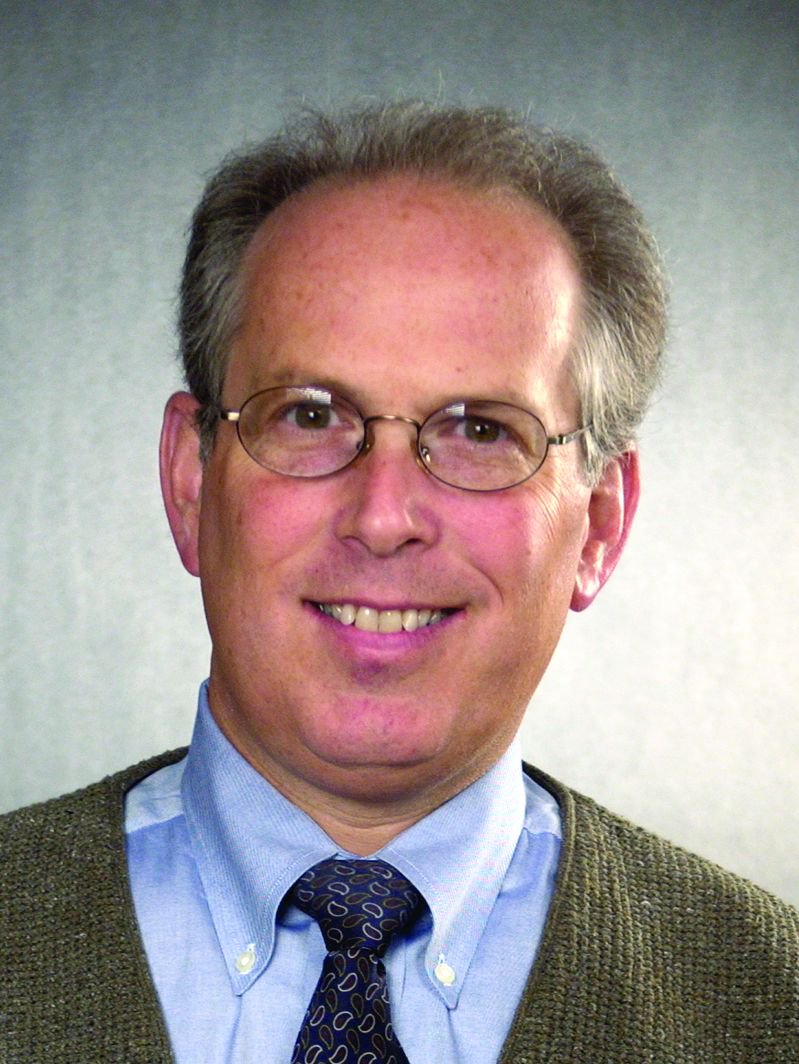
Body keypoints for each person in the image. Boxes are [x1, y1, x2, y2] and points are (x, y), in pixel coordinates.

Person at [1, 101, 796, 1064]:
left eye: (479, 431)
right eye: (309, 415)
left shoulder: (771, 1000)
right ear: (191, 481)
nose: (383, 518)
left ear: (598, 523)